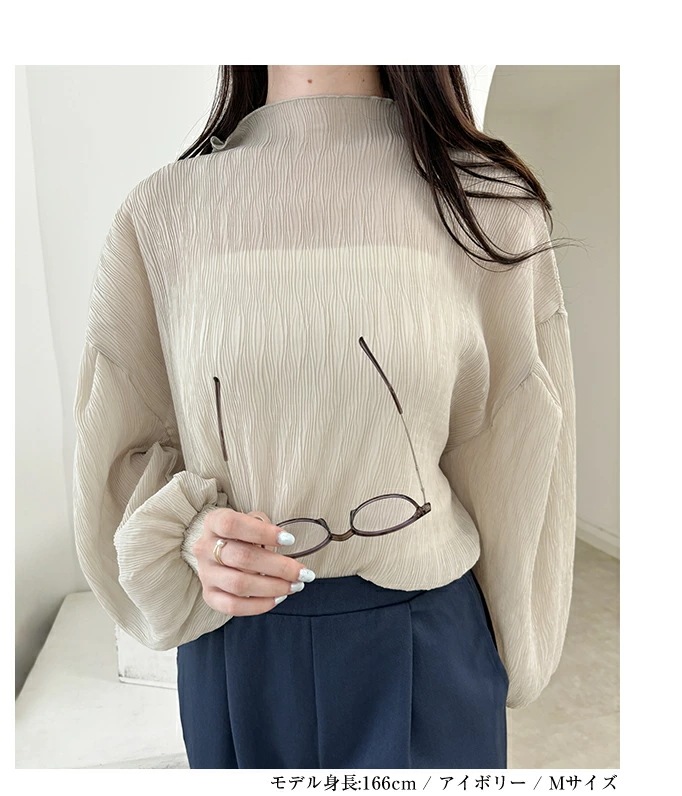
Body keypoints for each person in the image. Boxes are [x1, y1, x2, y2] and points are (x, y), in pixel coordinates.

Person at [72, 65, 577, 769]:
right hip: (236, 641)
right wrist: (187, 535)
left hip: (428, 643)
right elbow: (115, 447)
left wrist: (514, 652)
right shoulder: (160, 214)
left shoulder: (487, 206)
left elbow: (520, 453)